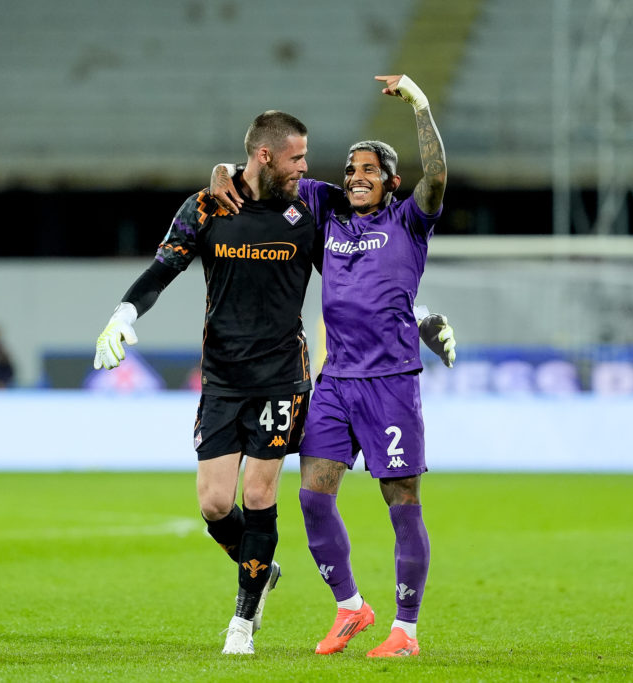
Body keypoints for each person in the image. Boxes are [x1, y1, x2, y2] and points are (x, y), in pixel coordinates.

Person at [209, 74, 454, 657]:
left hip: (392, 382)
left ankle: (407, 630)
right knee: (314, 498)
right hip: (336, 384)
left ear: (392, 182)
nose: (355, 178)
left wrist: (419, 102)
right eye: (350, 170)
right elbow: (267, 172)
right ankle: (351, 607)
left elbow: (437, 175)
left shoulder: (409, 222)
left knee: (401, 501)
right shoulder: (326, 211)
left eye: (368, 170)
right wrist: (221, 170)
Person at [93, 111, 319, 655]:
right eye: (296, 157)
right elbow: (164, 267)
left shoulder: (309, 208)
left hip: (281, 377)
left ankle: (242, 622)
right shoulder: (205, 205)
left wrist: (418, 313)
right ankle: (261, 568)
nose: (305, 168)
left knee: (259, 492)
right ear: (265, 155)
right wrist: (125, 314)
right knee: (216, 504)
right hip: (222, 377)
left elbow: (359, 274)